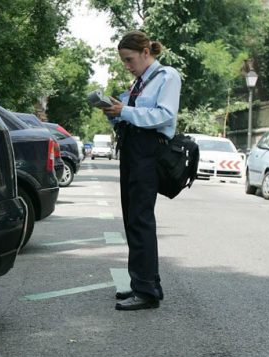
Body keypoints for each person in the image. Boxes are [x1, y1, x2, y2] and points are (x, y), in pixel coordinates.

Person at [100, 30, 181, 311]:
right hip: (133, 150)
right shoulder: (140, 82)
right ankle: (143, 283)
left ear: (146, 52)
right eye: (123, 60)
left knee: (141, 219)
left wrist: (125, 111)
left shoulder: (167, 76)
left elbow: (165, 115)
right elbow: (133, 116)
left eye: (129, 59)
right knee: (132, 218)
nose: (127, 65)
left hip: (149, 152)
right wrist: (114, 112)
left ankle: (146, 291)